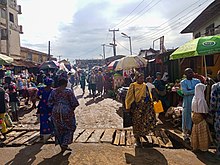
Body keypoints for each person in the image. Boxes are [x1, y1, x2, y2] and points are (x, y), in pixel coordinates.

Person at [48, 72, 79, 152]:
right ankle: (65, 143)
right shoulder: (68, 91)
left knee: (58, 129)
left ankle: (62, 145)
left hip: (56, 111)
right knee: (70, 127)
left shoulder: (53, 91)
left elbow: (49, 103)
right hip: (66, 111)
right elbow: (74, 103)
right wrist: (70, 110)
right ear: (66, 84)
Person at [125, 72, 156, 147]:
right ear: (137, 78)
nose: (142, 79)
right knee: (136, 122)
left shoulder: (145, 86)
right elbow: (129, 97)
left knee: (144, 121)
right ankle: (137, 137)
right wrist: (128, 107)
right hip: (136, 107)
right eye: (140, 78)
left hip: (144, 107)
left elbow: (148, 95)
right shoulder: (133, 85)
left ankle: (142, 134)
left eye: (143, 78)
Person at [181, 68, 200, 142]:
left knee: (195, 118)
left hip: (196, 102)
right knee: (186, 118)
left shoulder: (197, 81)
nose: (190, 74)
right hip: (187, 102)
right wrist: (195, 90)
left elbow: (201, 90)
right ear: (185, 74)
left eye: (191, 72)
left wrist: (190, 91)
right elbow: (185, 92)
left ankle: (194, 135)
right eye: (188, 73)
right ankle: (185, 134)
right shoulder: (183, 82)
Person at [191, 83, 212, 151]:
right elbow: (203, 111)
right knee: (202, 133)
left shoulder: (194, 98)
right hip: (200, 117)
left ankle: (196, 146)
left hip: (194, 116)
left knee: (195, 131)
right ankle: (203, 147)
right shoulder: (201, 99)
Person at [210, 70, 220, 159]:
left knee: (219, 133)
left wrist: (211, 112)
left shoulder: (216, 86)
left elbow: (213, 101)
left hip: (219, 114)